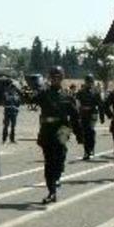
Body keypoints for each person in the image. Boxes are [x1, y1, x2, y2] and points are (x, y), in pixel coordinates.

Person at [30, 66, 78, 204]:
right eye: (53, 77)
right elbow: (30, 100)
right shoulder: (44, 93)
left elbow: (74, 116)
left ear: (62, 78)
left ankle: (57, 176)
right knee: (49, 161)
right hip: (47, 130)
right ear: (50, 78)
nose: (55, 79)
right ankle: (51, 190)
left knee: (60, 156)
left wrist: (80, 134)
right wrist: (31, 90)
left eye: (58, 77)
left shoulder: (67, 96)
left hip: (62, 129)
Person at [75, 74, 103, 160]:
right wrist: (77, 114)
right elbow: (77, 104)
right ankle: (87, 151)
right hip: (83, 114)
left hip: (92, 114)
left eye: (91, 82)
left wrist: (102, 116)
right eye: (88, 82)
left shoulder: (95, 93)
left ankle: (91, 149)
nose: (89, 83)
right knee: (85, 132)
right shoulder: (80, 92)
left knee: (90, 131)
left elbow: (100, 104)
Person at [1, 79, 21, 144]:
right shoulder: (6, 94)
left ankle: (12, 139)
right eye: (12, 88)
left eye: (14, 89)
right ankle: (4, 139)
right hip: (7, 112)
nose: (13, 90)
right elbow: (3, 102)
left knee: (13, 127)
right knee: (6, 126)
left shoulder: (16, 95)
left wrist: (16, 109)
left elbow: (18, 103)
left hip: (14, 113)